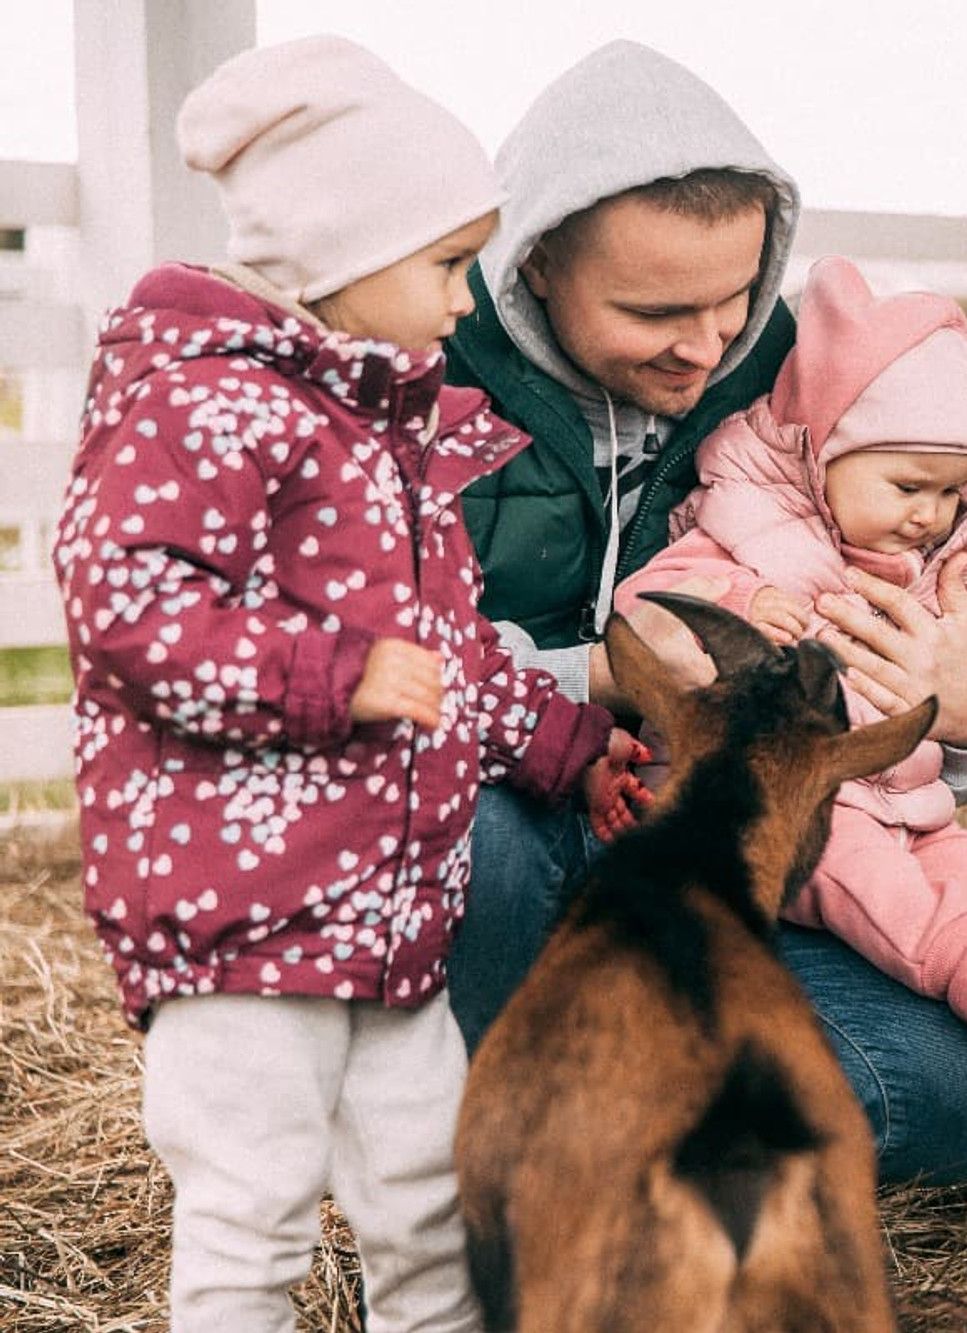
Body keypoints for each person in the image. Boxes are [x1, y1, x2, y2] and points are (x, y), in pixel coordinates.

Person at [51, 35, 647, 1331]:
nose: (462, 300)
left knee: (432, 1207)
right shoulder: (206, 407)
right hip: (244, 925)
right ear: (335, 251)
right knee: (249, 1217)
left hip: (386, 924)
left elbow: (446, 660)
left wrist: (565, 745)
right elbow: (127, 610)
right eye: (444, 264)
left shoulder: (381, 431)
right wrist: (334, 674)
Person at [443, 41, 967, 1180]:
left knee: (959, 1106)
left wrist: (961, 723)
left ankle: (633, 1124)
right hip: (522, 830)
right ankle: (488, 1146)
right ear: (538, 263)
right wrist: (597, 678)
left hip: (738, 854)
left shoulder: (795, 388)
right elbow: (381, 662)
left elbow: (928, 620)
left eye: (737, 296)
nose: (707, 346)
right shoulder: (431, 378)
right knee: (481, 839)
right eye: (656, 309)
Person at [615, 255, 967, 1044]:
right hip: (801, 806)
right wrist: (745, 601)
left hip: (919, 806)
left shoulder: (943, 562)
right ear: (823, 457)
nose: (930, 515)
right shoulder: (747, 532)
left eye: (951, 493)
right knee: (899, 904)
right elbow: (645, 606)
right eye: (907, 486)